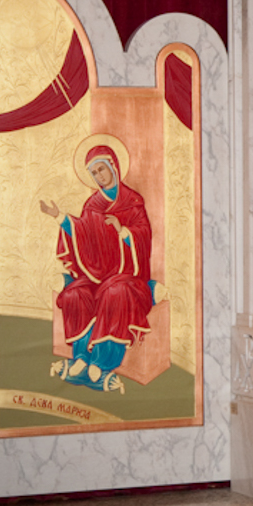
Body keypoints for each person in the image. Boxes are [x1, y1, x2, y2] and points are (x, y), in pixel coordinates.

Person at [39, 144, 154, 393]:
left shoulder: (133, 201)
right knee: (75, 293)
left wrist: (123, 231)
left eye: (101, 169)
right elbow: (82, 234)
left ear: (113, 166)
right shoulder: (92, 205)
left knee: (116, 293)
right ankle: (81, 356)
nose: (99, 176)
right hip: (98, 275)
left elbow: (144, 236)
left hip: (127, 276)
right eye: (94, 173)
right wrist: (59, 217)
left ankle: (102, 362)